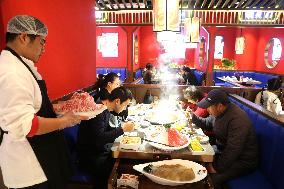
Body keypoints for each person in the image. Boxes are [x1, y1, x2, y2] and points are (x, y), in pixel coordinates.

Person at [0, 15, 87, 189]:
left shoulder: (19, 64)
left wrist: (55, 107)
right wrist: (65, 121)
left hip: (40, 160)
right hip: (29, 166)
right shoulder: (12, 72)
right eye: (42, 42)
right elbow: (25, 125)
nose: (44, 48)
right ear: (24, 37)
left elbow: (31, 105)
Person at [191, 89, 258, 189]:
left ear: (220, 106)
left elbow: (233, 149)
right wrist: (192, 117)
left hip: (243, 161)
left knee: (211, 178)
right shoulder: (218, 113)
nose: (207, 110)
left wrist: (216, 167)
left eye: (209, 106)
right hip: (224, 151)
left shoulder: (237, 120)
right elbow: (206, 123)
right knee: (197, 158)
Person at [77, 86, 135, 189]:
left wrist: (121, 128)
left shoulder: (105, 108)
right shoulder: (99, 111)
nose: (125, 108)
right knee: (120, 166)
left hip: (96, 151)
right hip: (91, 157)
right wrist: (122, 130)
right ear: (117, 101)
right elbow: (99, 139)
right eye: (125, 105)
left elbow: (106, 131)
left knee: (122, 161)